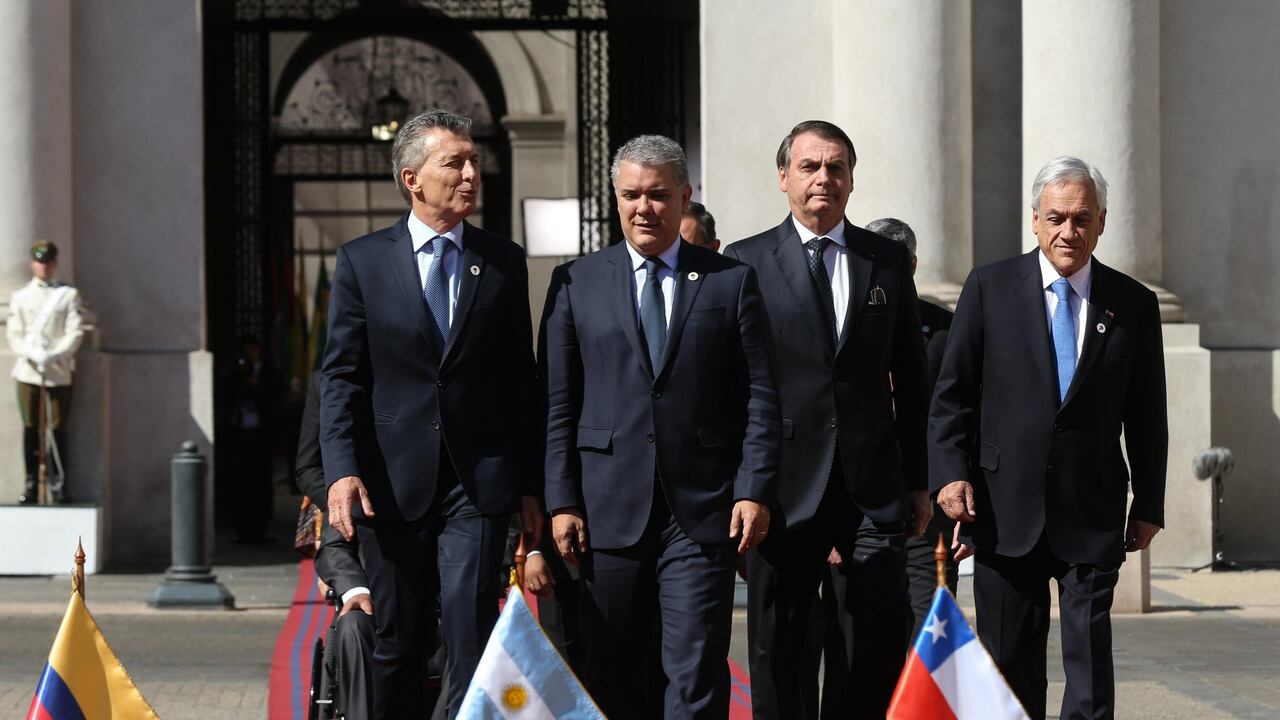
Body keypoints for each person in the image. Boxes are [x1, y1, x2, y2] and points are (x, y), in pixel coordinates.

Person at [541, 134, 779, 719]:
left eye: (657, 195)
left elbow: (760, 396)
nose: (643, 208)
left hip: (700, 511)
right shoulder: (576, 281)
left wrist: (754, 487)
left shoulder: (730, 281)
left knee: (694, 672)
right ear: (616, 199)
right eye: (631, 196)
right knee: (613, 669)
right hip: (605, 507)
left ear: (683, 196)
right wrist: (560, 500)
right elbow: (557, 402)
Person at [320, 109, 541, 720]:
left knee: (471, 636)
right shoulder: (363, 262)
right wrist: (341, 470)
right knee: (400, 643)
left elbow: (519, 379)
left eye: (475, 162)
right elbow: (341, 375)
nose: (471, 173)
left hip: (477, 483)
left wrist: (529, 483)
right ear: (412, 178)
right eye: (456, 163)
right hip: (390, 484)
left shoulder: (501, 261)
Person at [930, 156, 1168, 720]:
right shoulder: (990, 288)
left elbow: (1148, 413)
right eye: (1057, 217)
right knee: (1010, 668)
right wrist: (949, 474)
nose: (1069, 231)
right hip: (1002, 508)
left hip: (1091, 509)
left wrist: (1150, 503)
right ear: (1034, 219)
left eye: (1082, 219)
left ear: (1102, 222)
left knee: (1089, 673)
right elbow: (951, 397)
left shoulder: (1133, 303)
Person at [724, 120, 931, 719]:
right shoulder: (746, 262)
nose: (824, 178)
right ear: (784, 177)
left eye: (836, 167)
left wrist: (919, 479)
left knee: (872, 643)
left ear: (851, 180)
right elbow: (734, 388)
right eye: (810, 167)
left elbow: (913, 382)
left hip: (871, 488)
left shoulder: (886, 261)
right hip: (781, 488)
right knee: (780, 645)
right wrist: (745, 488)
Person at [864, 216, 959, 641]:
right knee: (874, 625)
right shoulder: (846, 322)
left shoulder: (945, 329)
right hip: (864, 499)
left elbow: (958, 412)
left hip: (927, 496)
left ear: (913, 265)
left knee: (931, 623)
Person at [8, 240, 84, 504]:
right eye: (39, 261)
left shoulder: (67, 295)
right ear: (33, 263)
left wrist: (56, 355)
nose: (43, 266)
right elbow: (14, 334)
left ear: (54, 264)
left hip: (58, 371)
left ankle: (58, 483)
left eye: (48, 262)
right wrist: (31, 353)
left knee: (57, 427)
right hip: (28, 372)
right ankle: (31, 484)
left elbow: (75, 331)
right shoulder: (21, 297)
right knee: (31, 427)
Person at [224, 334, 282, 542]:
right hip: (240, 436)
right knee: (241, 484)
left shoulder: (269, 375)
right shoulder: (235, 375)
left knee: (261, 485)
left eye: (252, 351)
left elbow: (275, 402)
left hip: (261, 436)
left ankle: (259, 529)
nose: (249, 356)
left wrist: (256, 385)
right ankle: (243, 529)